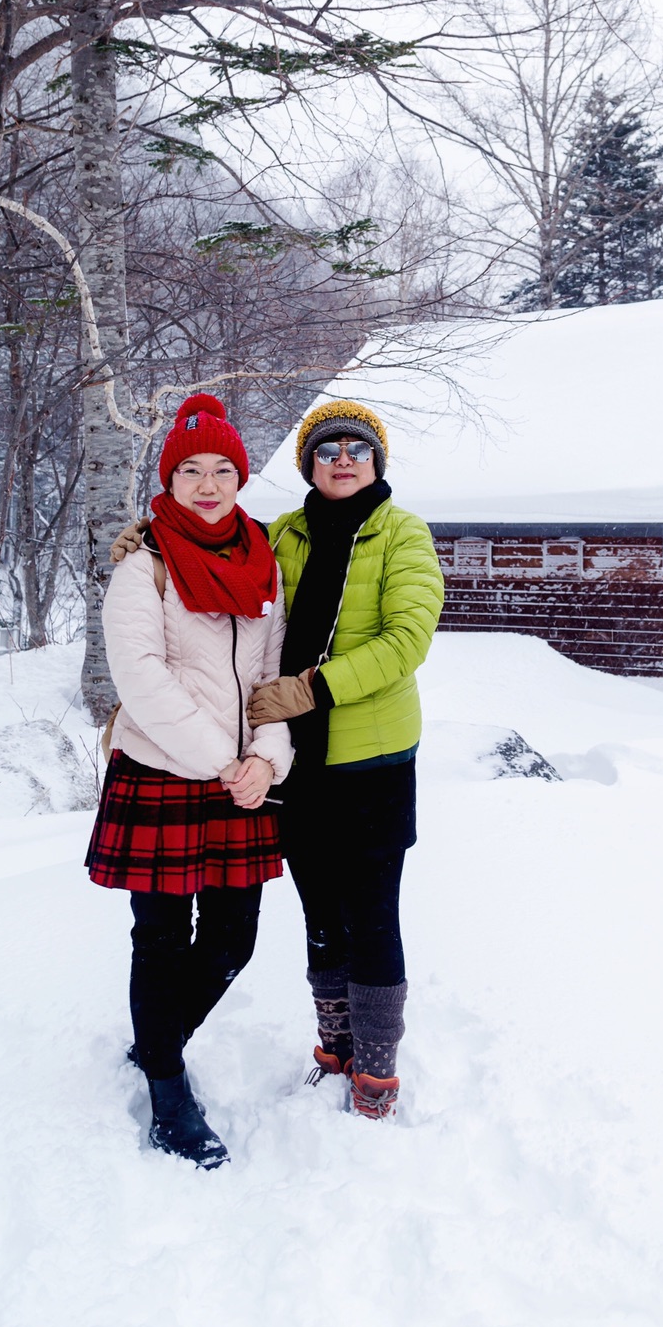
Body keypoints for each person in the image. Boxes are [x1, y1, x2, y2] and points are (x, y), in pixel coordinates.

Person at [86, 393, 292, 1168]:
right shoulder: (144, 566)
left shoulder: (262, 562)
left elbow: (274, 676)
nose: (209, 484)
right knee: (163, 940)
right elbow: (140, 676)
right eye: (192, 471)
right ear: (169, 479)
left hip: (242, 779)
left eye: (224, 470)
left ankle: (156, 1043)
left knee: (233, 939)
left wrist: (267, 758)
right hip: (167, 772)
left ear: (240, 478)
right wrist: (224, 760)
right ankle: (168, 1095)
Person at [247, 400, 444, 1120]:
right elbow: (212, 565)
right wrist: (148, 548)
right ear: (307, 464)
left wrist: (309, 691)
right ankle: (335, 1046)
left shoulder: (403, 534)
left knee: (371, 914)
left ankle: (378, 1070)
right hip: (297, 764)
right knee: (318, 911)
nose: (342, 459)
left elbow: (407, 638)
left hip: (373, 763)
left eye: (357, 448)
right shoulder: (281, 535)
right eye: (327, 449)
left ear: (376, 462)